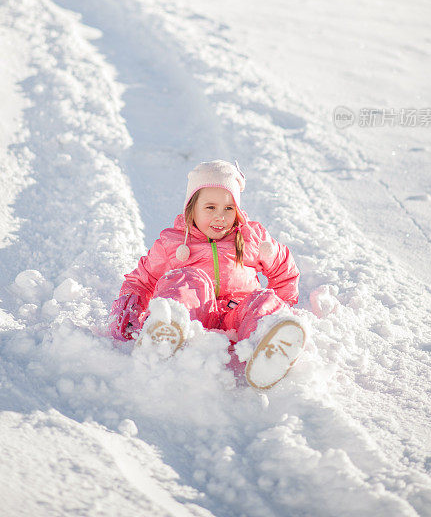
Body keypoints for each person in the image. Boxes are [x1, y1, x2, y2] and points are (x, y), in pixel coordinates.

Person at [109, 160, 307, 389]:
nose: (220, 216)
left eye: (228, 208)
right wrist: (128, 314)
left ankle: (271, 344)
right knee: (186, 281)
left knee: (261, 300)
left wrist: (283, 306)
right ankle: (168, 330)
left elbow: (284, 269)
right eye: (210, 207)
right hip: (194, 320)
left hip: (238, 319)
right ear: (191, 208)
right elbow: (142, 280)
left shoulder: (252, 238)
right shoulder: (172, 243)